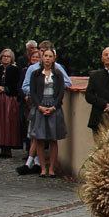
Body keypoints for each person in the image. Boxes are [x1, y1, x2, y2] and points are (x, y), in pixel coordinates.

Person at [28, 47, 67, 177]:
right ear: (42, 58)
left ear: (54, 58)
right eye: (46, 56)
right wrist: (39, 106)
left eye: (50, 56)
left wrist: (54, 107)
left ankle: (51, 168)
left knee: (53, 139)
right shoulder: (36, 74)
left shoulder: (58, 74)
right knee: (39, 138)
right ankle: (43, 168)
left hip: (54, 106)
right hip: (40, 105)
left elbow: (61, 92)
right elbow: (33, 92)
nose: (48, 59)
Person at [0, 48, 22, 158]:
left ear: (11, 58)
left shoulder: (15, 70)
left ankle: (8, 148)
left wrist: (5, 89)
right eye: (4, 56)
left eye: (8, 56)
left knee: (9, 122)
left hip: (10, 99)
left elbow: (17, 85)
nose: (6, 58)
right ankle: (1, 146)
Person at [16, 49, 42, 175]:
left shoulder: (56, 70)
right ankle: (34, 161)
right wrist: (31, 95)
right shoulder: (31, 69)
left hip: (50, 105)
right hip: (34, 104)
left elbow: (65, 82)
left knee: (42, 137)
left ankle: (36, 163)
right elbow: (24, 86)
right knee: (34, 134)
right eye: (34, 57)